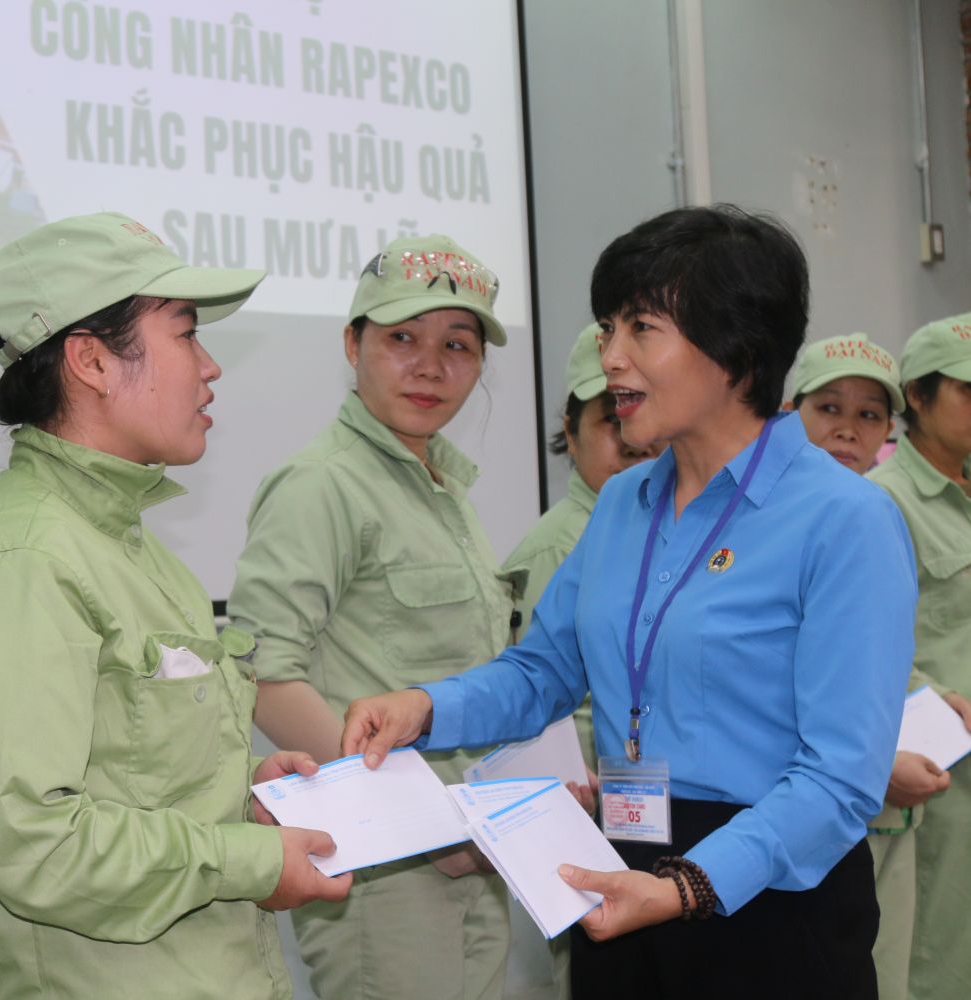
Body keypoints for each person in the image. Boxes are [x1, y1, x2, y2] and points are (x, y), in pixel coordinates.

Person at [341, 205, 918, 999]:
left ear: (736, 349)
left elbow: (840, 781)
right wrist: (425, 708)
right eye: (607, 327)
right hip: (620, 872)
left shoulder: (844, 520)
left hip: (770, 897)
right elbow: (544, 670)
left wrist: (688, 886)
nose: (610, 358)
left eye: (640, 328)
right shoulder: (624, 504)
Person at [0, 212, 351, 1000]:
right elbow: (30, 840)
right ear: (91, 361)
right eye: (184, 335)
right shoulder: (22, 566)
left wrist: (246, 797)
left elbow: (135, 781)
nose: (210, 367)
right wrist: (244, 860)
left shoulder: (136, 553)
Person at [228, 234, 516, 1000]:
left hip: (472, 849)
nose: (430, 366)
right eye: (401, 339)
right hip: (385, 870)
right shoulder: (321, 485)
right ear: (352, 344)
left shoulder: (442, 490)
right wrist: (419, 821)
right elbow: (262, 675)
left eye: (458, 344)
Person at [499, 323, 657, 998]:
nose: (627, 439)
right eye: (607, 418)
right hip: (589, 809)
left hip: (641, 798)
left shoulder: (651, 523)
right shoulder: (562, 544)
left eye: (633, 409)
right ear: (569, 423)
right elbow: (537, 693)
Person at [783, 333, 938, 1000]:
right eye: (829, 409)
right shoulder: (770, 521)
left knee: (891, 970)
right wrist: (877, 766)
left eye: (869, 415)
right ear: (790, 412)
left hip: (890, 798)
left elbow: (874, 657)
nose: (847, 430)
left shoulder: (871, 517)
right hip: (805, 812)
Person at [865, 315, 971, 1000]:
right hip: (938, 775)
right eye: (968, 391)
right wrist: (940, 703)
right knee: (933, 958)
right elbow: (870, 650)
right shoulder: (884, 501)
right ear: (918, 398)